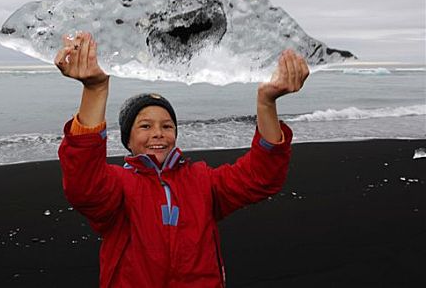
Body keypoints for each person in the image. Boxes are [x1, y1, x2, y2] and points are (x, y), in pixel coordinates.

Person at [55, 31, 309, 288]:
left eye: (167, 126)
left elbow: (262, 176)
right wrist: (95, 90)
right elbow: (83, 185)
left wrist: (266, 104)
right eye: (145, 126)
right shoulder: (119, 185)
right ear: (127, 140)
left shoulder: (202, 180)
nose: (158, 133)